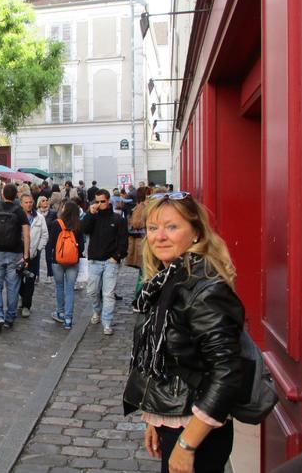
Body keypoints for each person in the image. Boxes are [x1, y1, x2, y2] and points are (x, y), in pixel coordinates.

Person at [122, 191, 244, 473]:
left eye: (172, 227)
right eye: (153, 228)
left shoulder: (204, 287)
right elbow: (167, 360)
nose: (159, 236)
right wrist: (156, 415)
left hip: (198, 430)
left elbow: (226, 372)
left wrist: (187, 444)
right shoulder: (167, 280)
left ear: (197, 233)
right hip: (175, 419)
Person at [0, 183, 30, 332]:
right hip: (14, 253)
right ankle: (9, 318)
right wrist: (26, 255)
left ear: (2, 194)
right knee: (12, 287)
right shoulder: (19, 211)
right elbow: (27, 235)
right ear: (16, 196)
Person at [82, 189, 128, 335]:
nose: (99, 204)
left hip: (110, 262)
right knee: (92, 291)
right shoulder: (93, 217)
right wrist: (90, 213)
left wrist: (116, 257)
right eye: (97, 201)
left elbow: (123, 241)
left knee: (108, 294)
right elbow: (83, 229)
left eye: (102, 201)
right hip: (95, 260)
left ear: (108, 201)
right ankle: (97, 311)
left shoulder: (118, 219)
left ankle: (106, 322)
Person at [47, 201, 84, 329]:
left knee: (59, 286)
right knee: (70, 289)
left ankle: (60, 312)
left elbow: (51, 244)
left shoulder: (56, 224)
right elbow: (82, 246)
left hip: (57, 260)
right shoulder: (78, 225)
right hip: (73, 261)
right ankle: (68, 319)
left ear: (64, 210)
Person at [18, 193, 48, 317]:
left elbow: (45, 235)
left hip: (33, 254)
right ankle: (23, 296)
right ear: (21, 203)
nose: (29, 204)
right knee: (17, 278)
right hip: (18, 253)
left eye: (30, 202)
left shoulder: (39, 218)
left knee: (30, 280)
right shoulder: (16, 216)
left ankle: (26, 305)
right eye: (26, 202)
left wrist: (38, 249)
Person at [126, 186, 150, 269]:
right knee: (144, 268)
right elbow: (136, 223)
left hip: (141, 239)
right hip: (142, 239)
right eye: (148, 194)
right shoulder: (141, 206)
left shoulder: (141, 205)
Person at [36, 196, 57, 282]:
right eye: (43, 201)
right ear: (39, 203)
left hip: (49, 237)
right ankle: (36, 275)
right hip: (38, 237)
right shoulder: (35, 213)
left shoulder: (52, 213)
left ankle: (50, 275)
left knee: (49, 257)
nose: (45, 202)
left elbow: (56, 225)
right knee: (36, 256)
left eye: (46, 200)